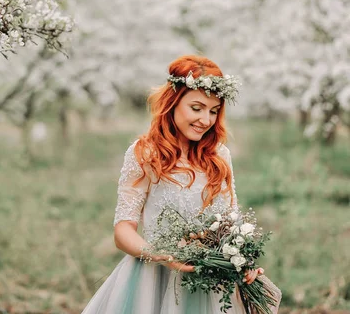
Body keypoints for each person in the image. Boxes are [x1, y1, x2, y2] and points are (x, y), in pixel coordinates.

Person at [81, 54, 282, 314]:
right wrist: (164, 255)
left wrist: (243, 261)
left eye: (213, 111)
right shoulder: (145, 153)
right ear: (173, 102)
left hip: (214, 283)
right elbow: (122, 232)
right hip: (154, 279)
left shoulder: (220, 156)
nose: (206, 120)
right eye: (196, 108)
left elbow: (231, 224)